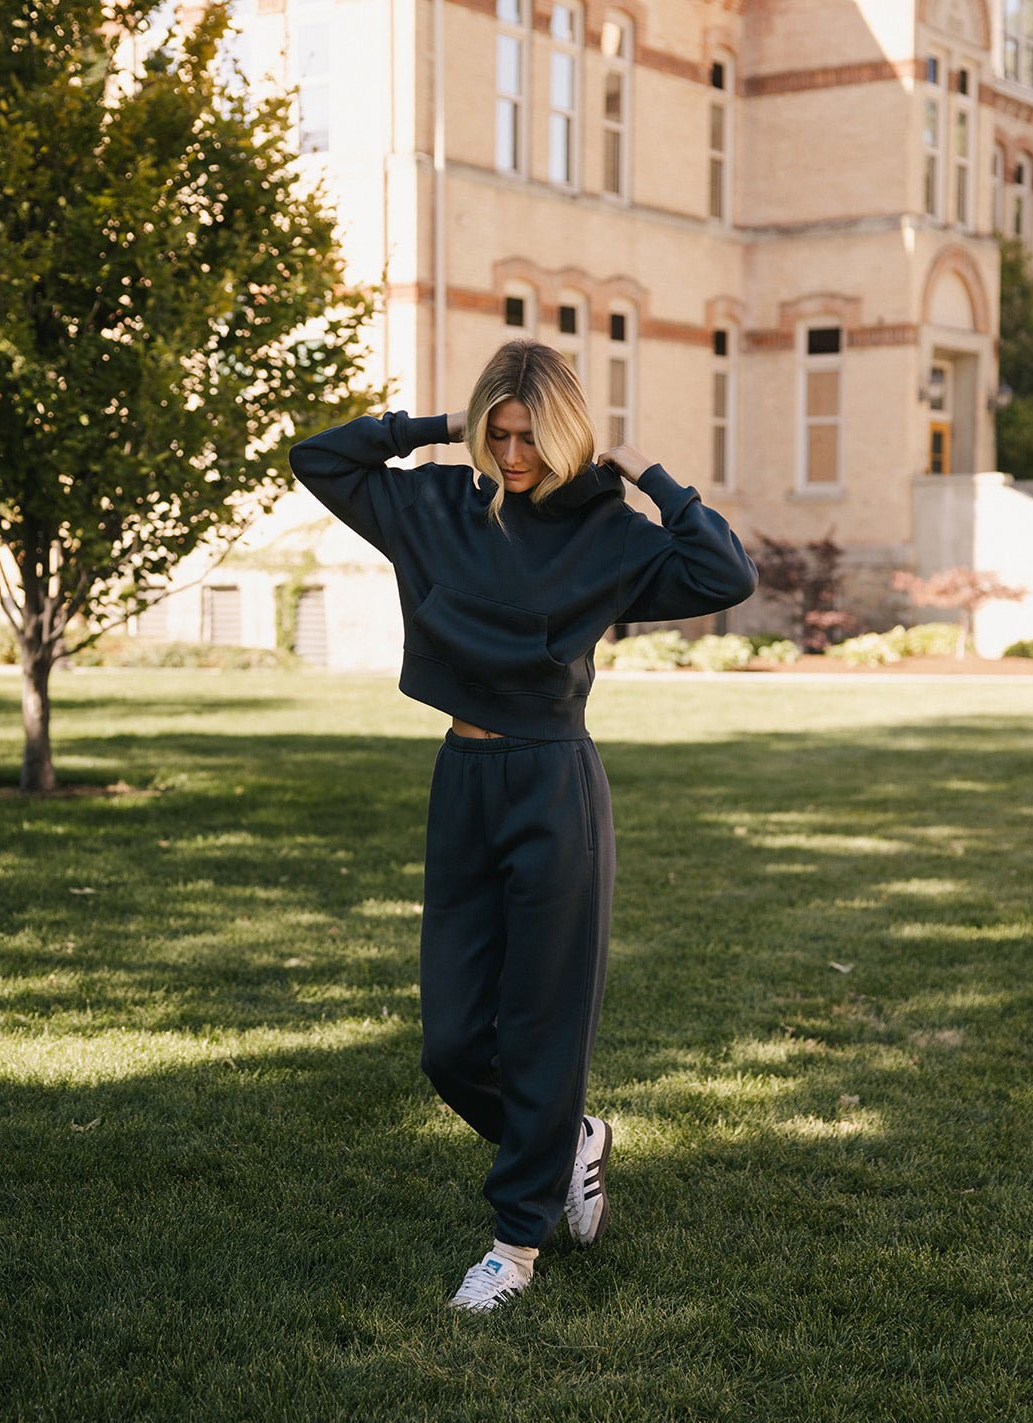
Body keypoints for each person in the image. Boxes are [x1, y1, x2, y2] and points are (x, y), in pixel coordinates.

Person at [289, 339, 757, 1312]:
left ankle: (514, 1242)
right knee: (452, 1044)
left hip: (553, 783)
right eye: (495, 434)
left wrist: (649, 476)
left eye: (527, 437)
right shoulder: (433, 509)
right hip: (462, 778)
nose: (510, 455)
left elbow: (721, 574)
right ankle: (570, 1138)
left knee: (543, 1025)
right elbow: (321, 458)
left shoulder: (605, 534)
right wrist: (432, 429)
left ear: (563, 432)